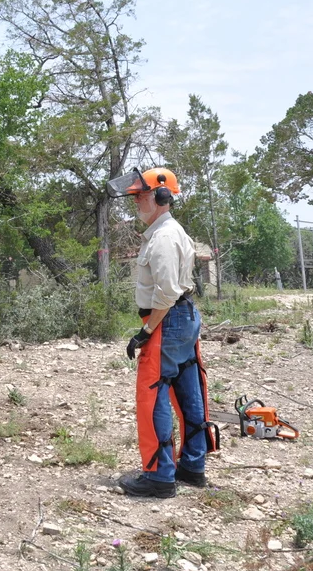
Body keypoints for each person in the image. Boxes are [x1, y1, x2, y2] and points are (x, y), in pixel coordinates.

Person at [105, 167, 219, 498]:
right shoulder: (165, 232)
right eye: (136, 197)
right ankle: (192, 466)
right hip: (180, 317)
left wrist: (146, 330)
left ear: (162, 196)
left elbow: (166, 293)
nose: (136, 202)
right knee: (187, 390)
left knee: (152, 393)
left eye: (141, 196)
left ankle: (159, 475)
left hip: (168, 318)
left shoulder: (164, 237)